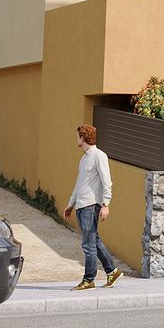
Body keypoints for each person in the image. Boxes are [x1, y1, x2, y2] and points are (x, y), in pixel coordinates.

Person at [64, 123, 121, 291]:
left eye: (77, 136)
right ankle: (112, 271)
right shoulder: (84, 159)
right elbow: (79, 184)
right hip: (81, 206)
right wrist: (71, 204)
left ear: (83, 138)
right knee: (94, 241)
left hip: (90, 206)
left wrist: (105, 204)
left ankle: (89, 280)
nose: (76, 139)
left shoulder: (99, 155)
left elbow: (107, 181)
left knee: (88, 245)